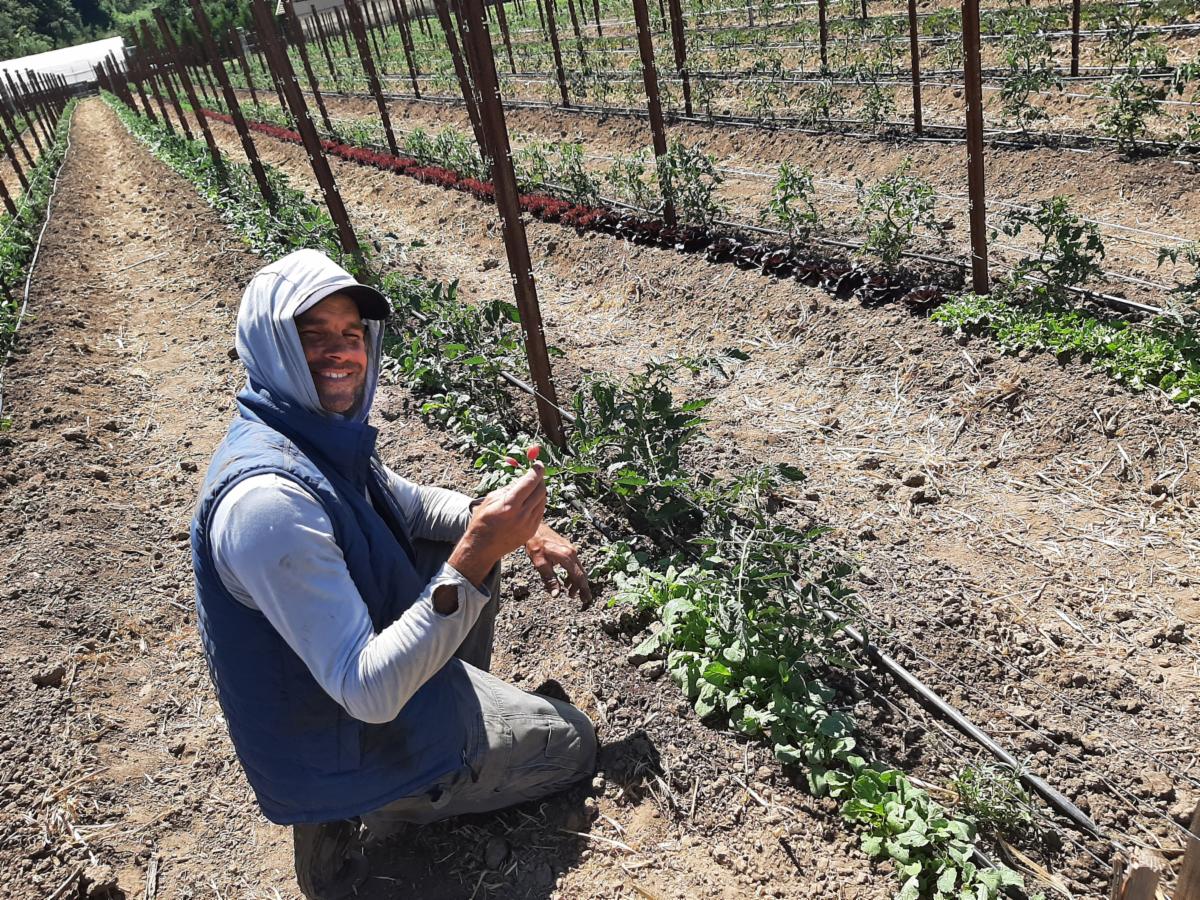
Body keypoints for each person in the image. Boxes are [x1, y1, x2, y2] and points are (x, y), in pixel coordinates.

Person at [190, 249, 597, 899]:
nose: (342, 352)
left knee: (450, 546)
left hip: (335, 711)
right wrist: (477, 554)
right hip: (359, 724)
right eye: (313, 335)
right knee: (576, 742)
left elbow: (413, 504)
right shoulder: (270, 503)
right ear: (268, 345)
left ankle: (417, 754)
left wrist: (507, 526)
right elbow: (368, 692)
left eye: (352, 334)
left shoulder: (307, 438)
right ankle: (401, 790)